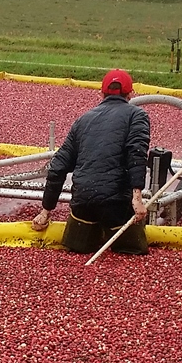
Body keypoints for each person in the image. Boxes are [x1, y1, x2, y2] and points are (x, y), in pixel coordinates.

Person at [31, 69, 151, 255]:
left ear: (101, 93)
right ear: (130, 93)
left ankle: (82, 240)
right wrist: (137, 198)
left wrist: (45, 211)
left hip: (83, 203)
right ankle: (126, 246)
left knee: (77, 249)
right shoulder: (137, 115)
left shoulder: (83, 120)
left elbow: (58, 167)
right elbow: (136, 153)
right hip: (118, 204)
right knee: (131, 251)